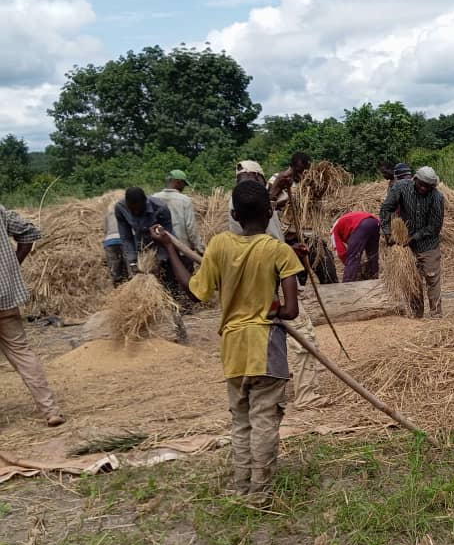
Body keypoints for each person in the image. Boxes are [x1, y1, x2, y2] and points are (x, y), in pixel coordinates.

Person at [152, 180, 303, 503]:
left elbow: (194, 290)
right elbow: (290, 310)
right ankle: (260, 492)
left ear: (234, 214)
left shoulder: (220, 246)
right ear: (269, 213)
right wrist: (273, 307)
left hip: (233, 349)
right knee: (264, 418)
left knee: (242, 420)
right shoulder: (279, 251)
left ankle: (241, 484)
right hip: (267, 348)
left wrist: (169, 248)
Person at [229, 160, 324, 411]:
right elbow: (260, 242)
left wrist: (291, 248)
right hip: (269, 283)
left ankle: (256, 394)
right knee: (303, 336)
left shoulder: (239, 203)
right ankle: (307, 395)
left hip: (252, 286)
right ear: (257, 177)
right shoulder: (251, 203)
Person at [0, 205, 65, 426]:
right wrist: (12, 267)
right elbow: (29, 232)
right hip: (6, 297)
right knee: (23, 353)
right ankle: (51, 410)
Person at [380, 166, 445, 318]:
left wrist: (413, 237)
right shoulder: (401, 188)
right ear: (415, 179)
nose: (423, 188)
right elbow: (386, 209)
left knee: (432, 277)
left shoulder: (437, 198)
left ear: (432, 186)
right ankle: (417, 315)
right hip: (405, 246)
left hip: (428, 244)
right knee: (413, 279)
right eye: (420, 184)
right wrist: (389, 232)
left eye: (427, 186)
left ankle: (436, 315)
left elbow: (434, 227)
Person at [115, 187, 173, 277]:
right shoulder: (120, 208)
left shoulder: (160, 208)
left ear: (145, 201)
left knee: (167, 276)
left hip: (163, 245)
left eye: (139, 209)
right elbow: (126, 237)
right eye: (132, 210)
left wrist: (159, 260)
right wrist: (132, 262)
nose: (136, 212)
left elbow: (166, 236)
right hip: (142, 247)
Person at [153, 169, 204, 256]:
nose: (184, 187)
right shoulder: (185, 200)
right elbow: (191, 228)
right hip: (181, 250)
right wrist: (200, 249)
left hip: (161, 251)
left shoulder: (154, 198)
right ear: (178, 182)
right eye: (183, 184)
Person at [331, 211, 380, 283]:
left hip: (362, 224)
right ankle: (374, 278)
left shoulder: (333, 230)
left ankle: (348, 282)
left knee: (353, 256)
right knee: (372, 254)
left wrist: (348, 263)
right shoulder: (345, 221)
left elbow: (340, 251)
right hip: (375, 223)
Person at [102, 205, 128, 286]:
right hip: (123, 238)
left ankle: (116, 281)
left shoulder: (107, 215)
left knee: (113, 262)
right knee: (128, 259)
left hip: (109, 241)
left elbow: (105, 230)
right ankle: (131, 278)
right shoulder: (125, 213)